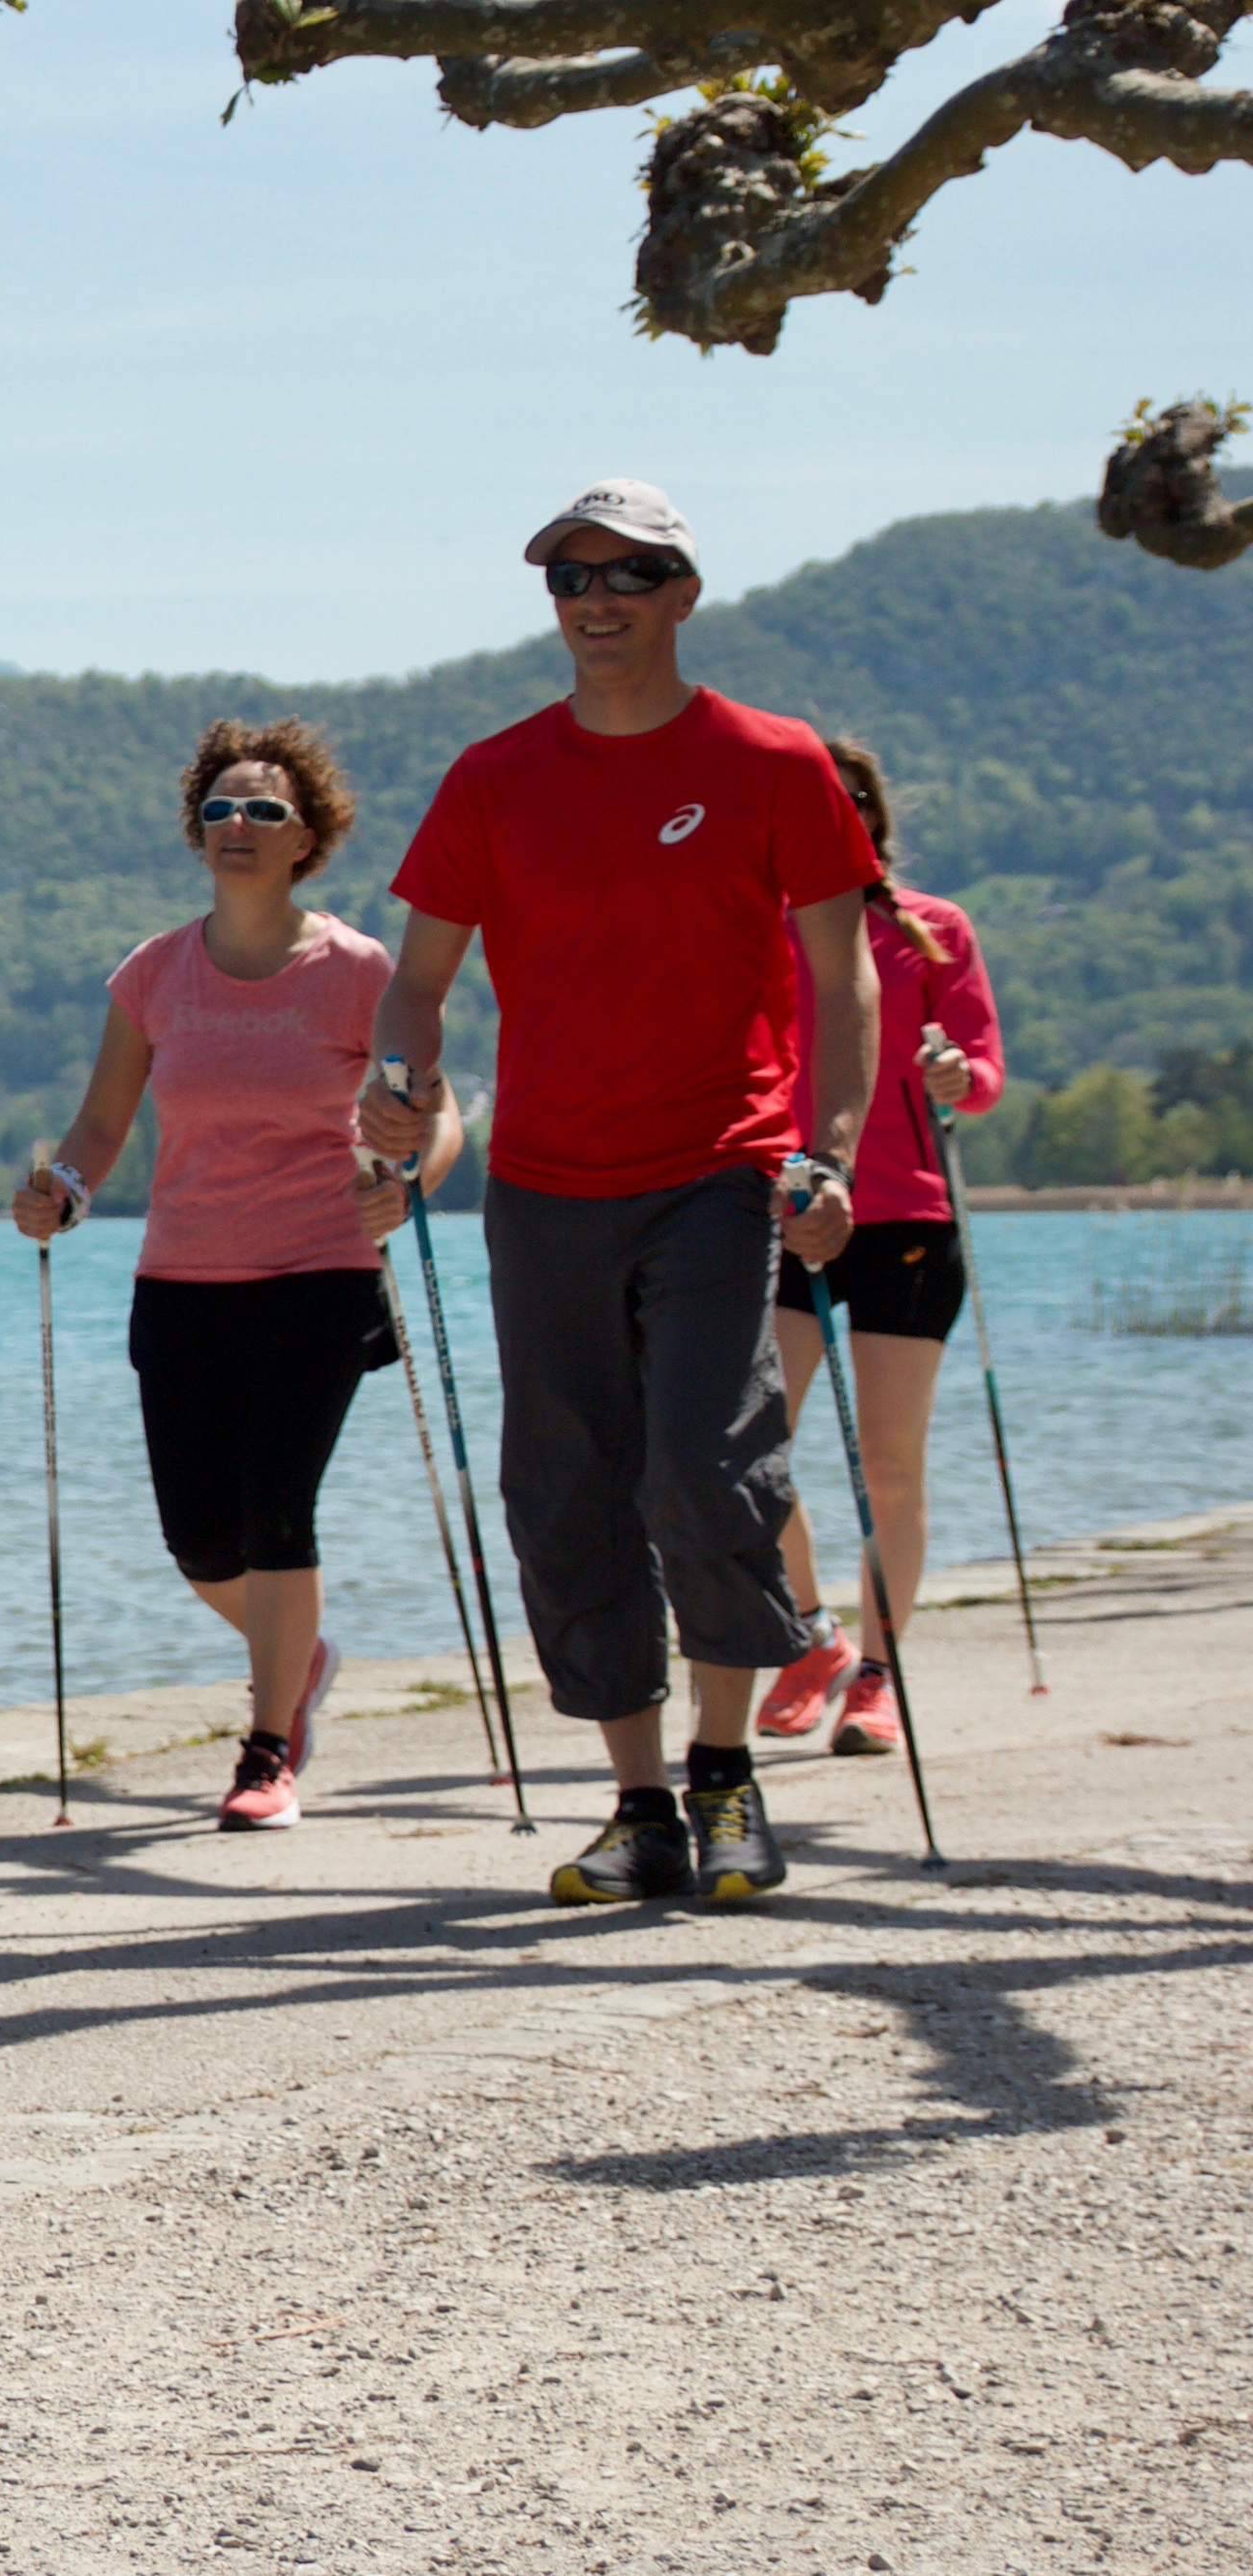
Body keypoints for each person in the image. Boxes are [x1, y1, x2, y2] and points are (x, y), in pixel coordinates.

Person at [362, 479, 878, 1910]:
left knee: (704, 1464)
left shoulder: (773, 763)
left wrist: (829, 1153)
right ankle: (639, 1799)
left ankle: (726, 1775)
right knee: (569, 1486)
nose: (597, 600)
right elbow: (418, 975)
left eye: (631, 575)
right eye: (570, 579)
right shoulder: (493, 776)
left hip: (720, 1165)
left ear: (685, 594)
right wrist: (398, 1080)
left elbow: (844, 981)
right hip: (540, 1185)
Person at [15, 720, 459, 1830]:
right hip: (182, 1282)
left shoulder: (360, 971)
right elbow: (105, 1122)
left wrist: (411, 1181)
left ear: (309, 833)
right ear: (195, 833)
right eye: (219, 809)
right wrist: (61, 1186)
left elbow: (436, 1108)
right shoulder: (155, 973)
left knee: (276, 1511)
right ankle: (299, 1660)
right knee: (199, 1539)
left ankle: (267, 1749)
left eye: (264, 809)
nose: (239, 827)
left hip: (321, 1271)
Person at [758, 735, 1004, 1756]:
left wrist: (956, 1078)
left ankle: (879, 1675)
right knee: (749, 1455)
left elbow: (983, 1071)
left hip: (906, 1213)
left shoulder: (934, 931)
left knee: (892, 1464)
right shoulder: (755, 931)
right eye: (820, 800)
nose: (840, 814)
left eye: (852, 798)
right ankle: (813, 1636)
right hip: (786, 1209)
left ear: (874, 815)